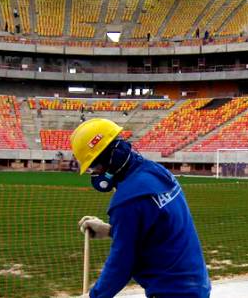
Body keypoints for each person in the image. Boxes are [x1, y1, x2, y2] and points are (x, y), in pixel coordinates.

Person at [71, 118, 210, 298]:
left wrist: (94, 296)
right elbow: (155, 228)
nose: (95, 174)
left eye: (93, 167)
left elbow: (121, 264)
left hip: (171, 291)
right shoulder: (156, 171)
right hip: (196, 284)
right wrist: (110, 231)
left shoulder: (127, 200)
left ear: (108, 160)